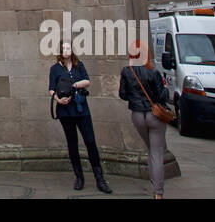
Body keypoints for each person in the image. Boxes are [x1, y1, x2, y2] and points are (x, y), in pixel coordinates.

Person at [49, 41, 110, 192]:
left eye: (68, 48)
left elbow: (87, 81)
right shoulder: (55, 69)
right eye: (64, 48)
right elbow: (51, 89)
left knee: (90, 141)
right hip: (65, 110)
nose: (66, 51)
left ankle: (99, 178)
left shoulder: (78, 65)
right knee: (72, 143)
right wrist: (58, 99)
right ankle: (79, 177)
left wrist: (73, 85)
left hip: (80, 108)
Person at [119, 39, 167, 198]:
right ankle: (158, 192)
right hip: (154, 116)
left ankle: (155, 182)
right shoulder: (153, 72)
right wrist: (165, 87)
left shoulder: (127, 71)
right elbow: (161, 96)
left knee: (151, 150)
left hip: (137, 115)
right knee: (157, 152)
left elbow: (123, 95)